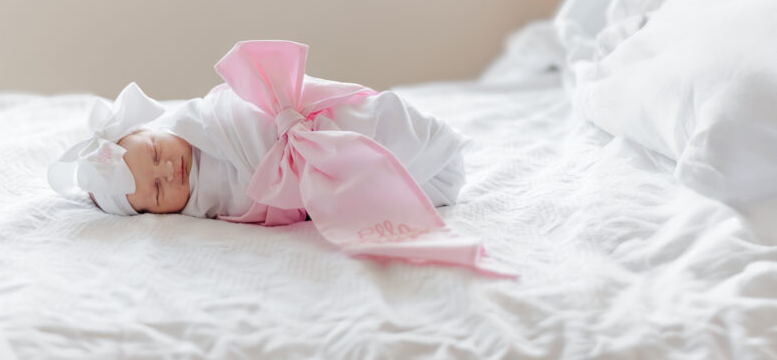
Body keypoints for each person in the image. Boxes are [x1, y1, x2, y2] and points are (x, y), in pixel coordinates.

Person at [49, 40, 511, 276]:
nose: (169, 170)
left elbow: (240, 111)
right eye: (155, 190)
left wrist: (288, 132)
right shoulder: (201, 207)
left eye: (154, 152)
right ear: (151, 213)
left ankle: (416, 143)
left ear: (151, 129)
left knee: (369, 123)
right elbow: (251, 203)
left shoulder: (204, 120)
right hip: (303, 170)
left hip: (299, 122)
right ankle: (411, 174)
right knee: (358, 186)